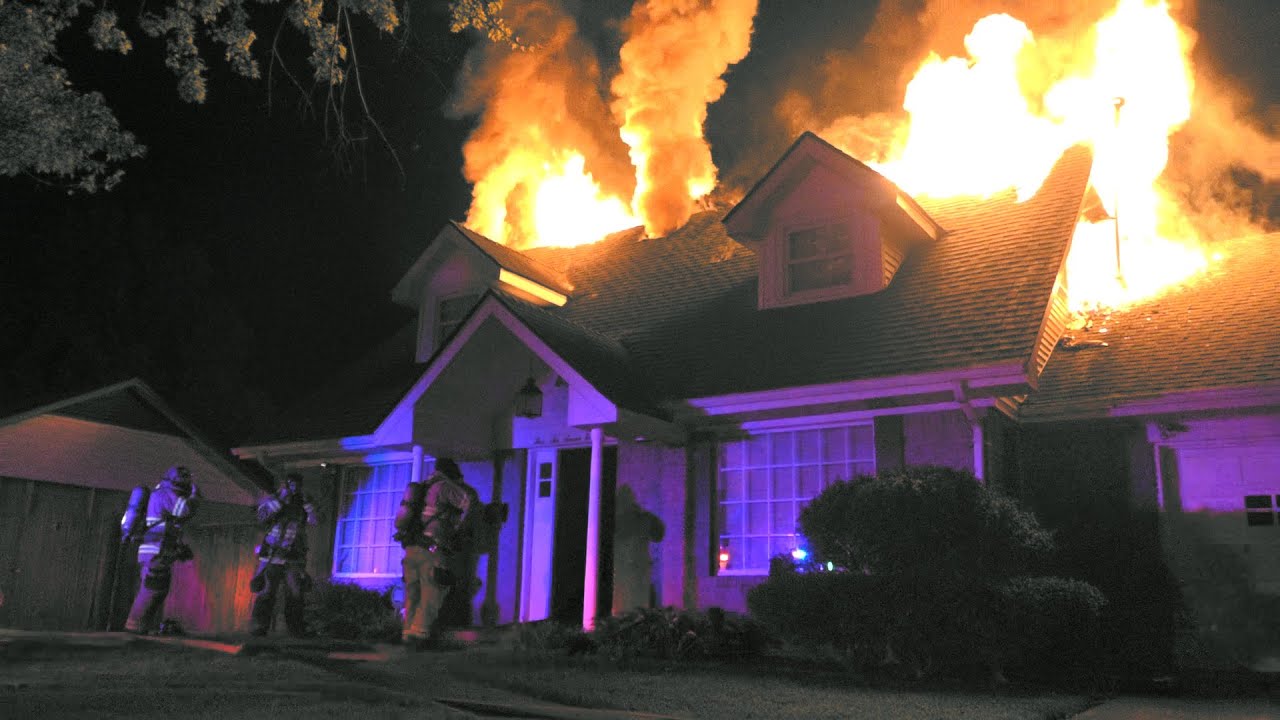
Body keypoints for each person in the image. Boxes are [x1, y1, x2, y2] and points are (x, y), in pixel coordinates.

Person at [394, 457, 473, 650]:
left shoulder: (421, 488)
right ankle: (420, 636)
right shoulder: (445, 487)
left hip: (411, 549)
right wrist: (458, 528)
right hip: (432, 549)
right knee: (431, 593)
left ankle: (407, 633)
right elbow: (467, 502)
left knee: (412, 593)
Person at [124, 465, 200, 635]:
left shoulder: (161, 494)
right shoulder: (165, 494)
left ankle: (140, 626)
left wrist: (179, 548)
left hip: (156, 550)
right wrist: (195, 496)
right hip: (156, 550)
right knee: (154, 588)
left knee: (157, 588)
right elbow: (185, 510)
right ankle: (134, 626)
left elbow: (170, 525)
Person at [249, 472, 317, 637]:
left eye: (297, 484)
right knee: (266, 591)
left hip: (293, 556)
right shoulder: (273, 500)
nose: (294, 488)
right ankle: (259, 627)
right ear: (284, 485)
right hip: (272, 555)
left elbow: (315, 520)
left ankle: (296, 629)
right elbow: (261, 516)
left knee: (295, 593)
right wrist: (281, 499)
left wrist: (307, 503)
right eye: (290, 484)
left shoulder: (303, 503)